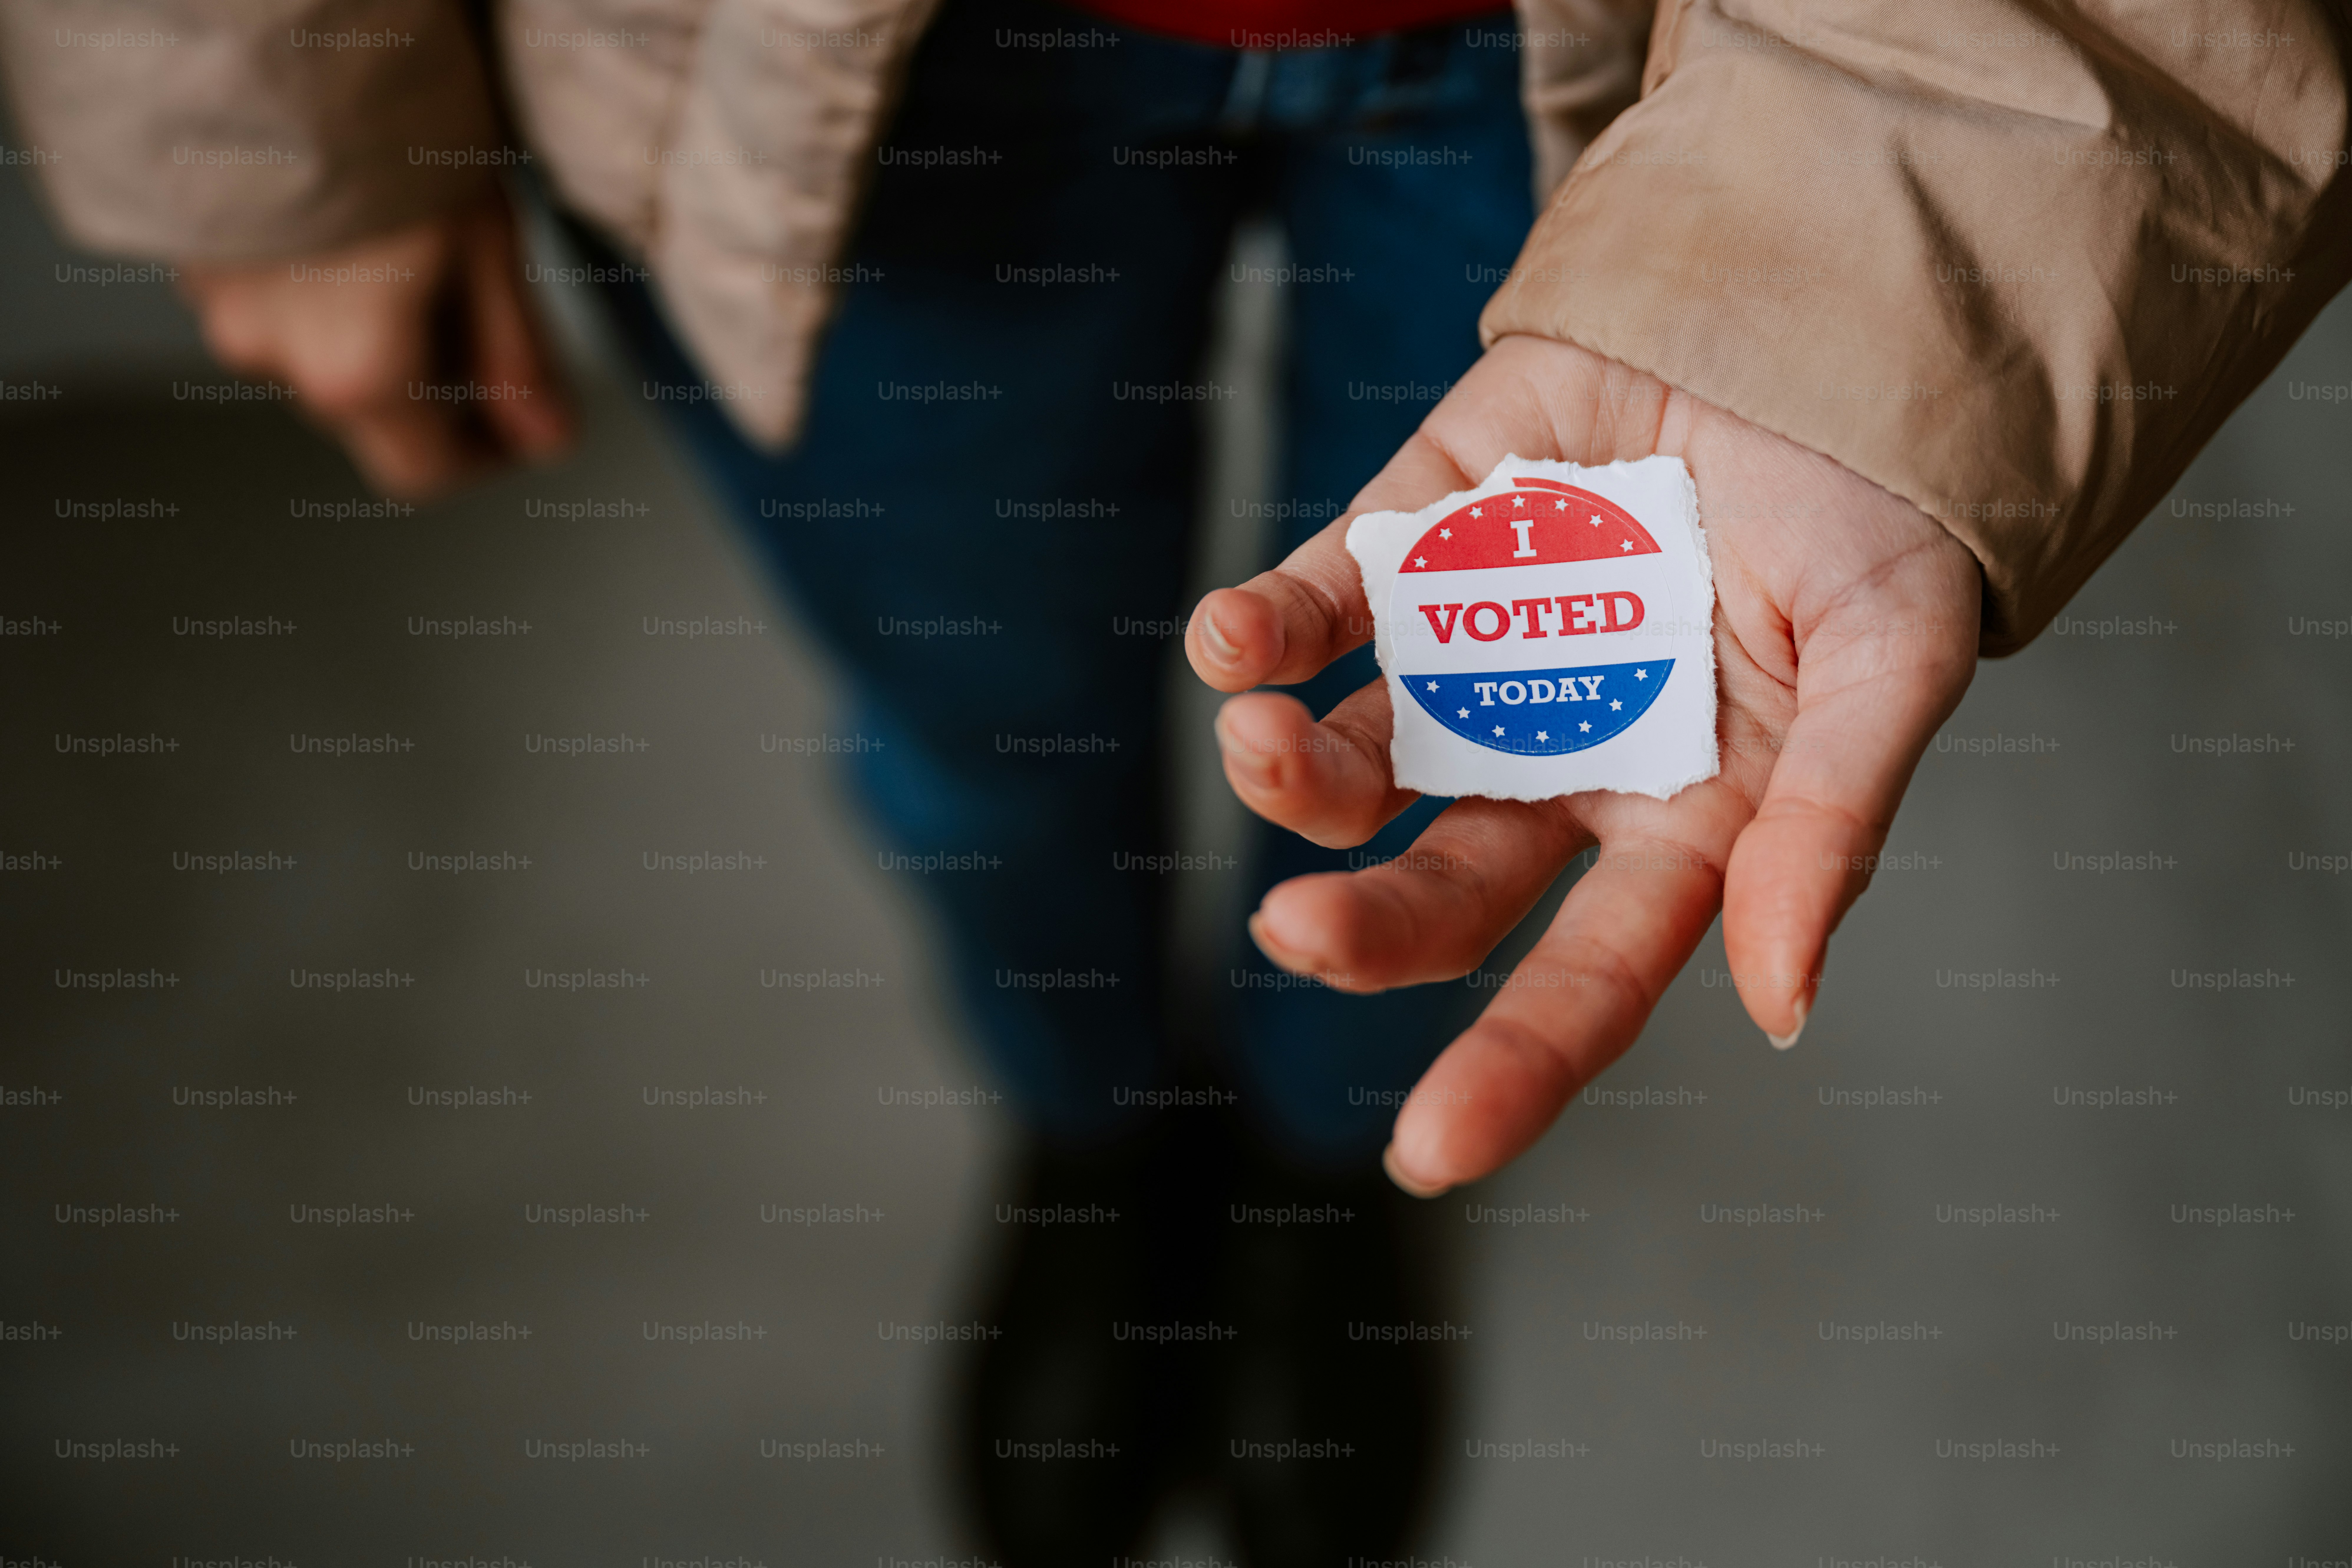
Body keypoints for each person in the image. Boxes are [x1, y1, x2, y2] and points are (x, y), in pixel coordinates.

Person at [7, 0, 2342, 1560]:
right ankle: (1092, 1132)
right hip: (805, 48)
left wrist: (1892, 233)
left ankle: (1321, 1173)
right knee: (982, 726)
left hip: (1679, 42)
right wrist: (248, 113)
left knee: (1456, 785)